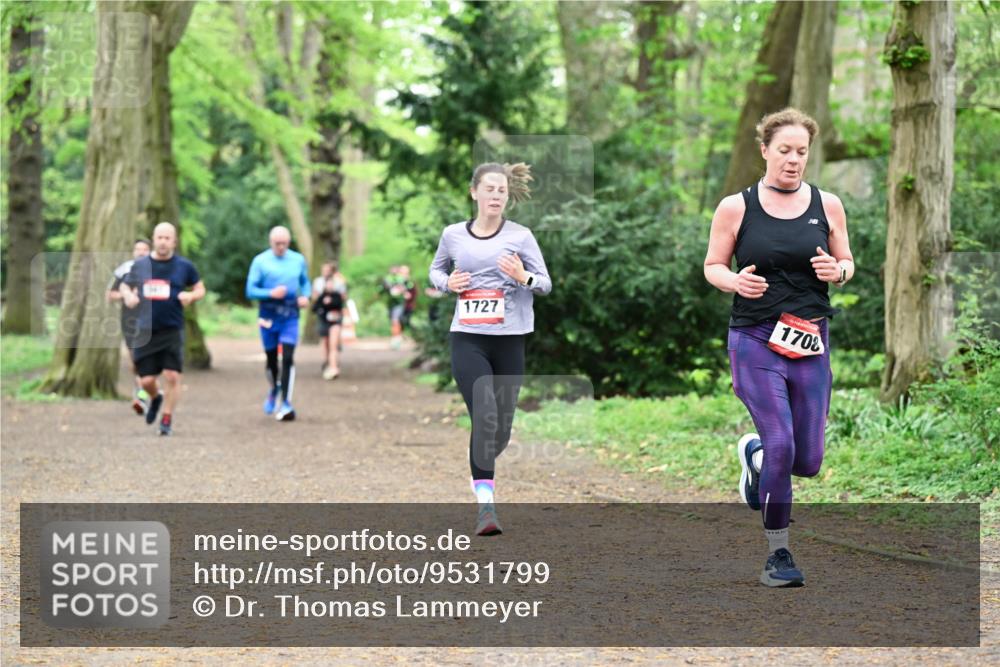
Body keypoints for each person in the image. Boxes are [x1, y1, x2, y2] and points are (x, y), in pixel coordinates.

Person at [703, 108, 855, 587]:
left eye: (802, 152)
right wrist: (734, 283)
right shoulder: (736, 207)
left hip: (809, 339)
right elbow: (713, 265)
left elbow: (846, 259)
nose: (793, 160)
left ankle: (756, 457)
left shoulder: (828, 205)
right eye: (784, 150)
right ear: (765, 150)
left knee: (807, 460)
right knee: (783, 442)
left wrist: (840, 271)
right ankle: (778, 553)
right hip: (754, 339)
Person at [429, 162, 551, 536]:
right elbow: (434, 272)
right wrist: (449, 283)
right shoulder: (453, 235)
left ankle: (480, 465)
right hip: (468, 337)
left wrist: (522, 277)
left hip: (510, 340)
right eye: (490, 188)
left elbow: (544, 283)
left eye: (502, 190)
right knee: (484, 414)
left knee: (500, 430)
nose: (497, 195)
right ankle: (486, 507)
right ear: (474, 192)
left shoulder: (521, 236)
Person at [119, 223, 206, 436]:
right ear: (153, 239)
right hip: (145, 330)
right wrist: (129, 296)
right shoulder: (140, 265)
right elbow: (124, 285)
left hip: (172, 329)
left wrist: (191, 296)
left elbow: (200, 287)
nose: (163, 241)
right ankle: (156, 397)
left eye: (168, 238)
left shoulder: (184, 266)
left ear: (174, 242)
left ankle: (166, 419)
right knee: (146, 379)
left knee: (173, 375)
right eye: (160, 237)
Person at [245, 226, 311, 421]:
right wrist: (270, 293)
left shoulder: (298, 259)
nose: (281, 247)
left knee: (288, 358)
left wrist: (306, 296)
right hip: (268, 314)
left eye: (284, 243)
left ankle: (286, 402)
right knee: (272, 359)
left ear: (289, 242)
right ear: (270, 242)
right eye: (277, 244)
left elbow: (305, 282)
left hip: (290, 313)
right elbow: (250, 290)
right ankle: (274, 388)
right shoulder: (260, 261)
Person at [107, 238, 151, 415]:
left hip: (152, 321)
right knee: (136, 363)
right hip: (130, 322)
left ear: (150, 251)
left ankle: (142, 396)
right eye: (137, 249)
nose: (141, 252)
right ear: (133, 252)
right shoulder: (125, 269)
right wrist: (127, 295)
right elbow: (109, 294)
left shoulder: (157, 269)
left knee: (146, 360)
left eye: (145, 249)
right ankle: (142, 391)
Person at [312, 261, 348, 377]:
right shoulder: (318, 282)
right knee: (326, 342)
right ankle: (328, 361)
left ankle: (334, 366)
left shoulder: (339, 283)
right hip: (323, 318)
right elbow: (315, 302)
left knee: (333, 343)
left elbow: (343, 298)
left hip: (335, 318)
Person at [381, 266, 413, 349]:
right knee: (393, 321)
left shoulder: (402, 280)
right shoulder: (388, 279)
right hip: (391, 304)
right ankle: (396, 338)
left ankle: (396, 340)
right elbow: (384, 289)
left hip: (399, 303)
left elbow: (408, 288)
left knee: (395, 320)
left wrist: (404, 291)